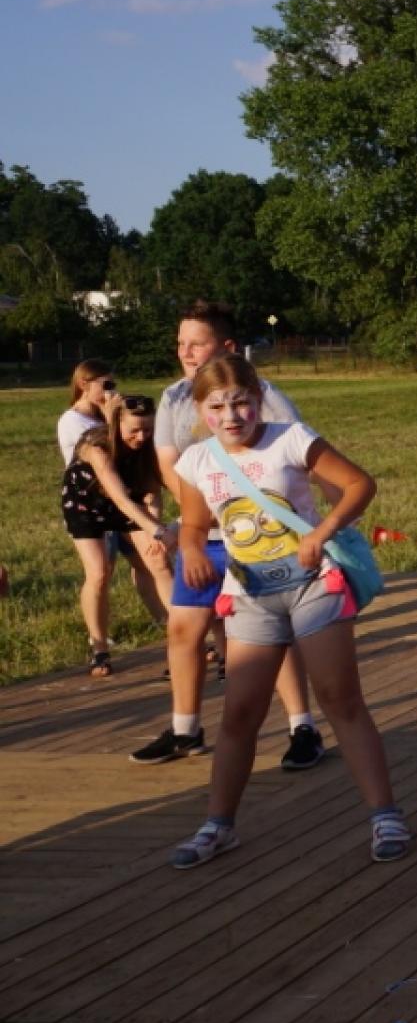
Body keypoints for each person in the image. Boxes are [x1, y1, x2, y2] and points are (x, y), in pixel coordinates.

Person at [168, 355, 408, 869]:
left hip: (314, 583)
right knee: (240, 713)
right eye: (217, 407)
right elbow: (193, 525)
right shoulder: (197, 461)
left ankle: (385, 815)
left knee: (339, 699)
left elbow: (360, 484)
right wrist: (190, 550)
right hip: (250, 593)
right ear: (201, 409)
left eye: (241, 403)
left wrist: (322, 532)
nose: (232, 416)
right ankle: (218, 825)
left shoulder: (291, 439)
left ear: (258, 399)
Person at [132, 300, 323, 769]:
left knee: (274, 631)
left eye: (197, 344)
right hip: (202, 536)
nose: (185, 352)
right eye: (181, 343)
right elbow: (169, 464)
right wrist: (195, 518)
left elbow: (290, 456)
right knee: (183, 627)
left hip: (259, 536)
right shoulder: (175, 397)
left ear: (228, 347)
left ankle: (302, 726)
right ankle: (185, 729)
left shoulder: (263, 395)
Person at [62, 394, 170, 675]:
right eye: (134, 430)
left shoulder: (149, 446)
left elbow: (152, 493)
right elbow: (120, 498)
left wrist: (155, 528)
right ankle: (99, 648)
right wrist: (158, 531)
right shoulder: (97, 446)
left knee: (157, 561)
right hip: (87, 503)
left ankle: (178, 632)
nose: (141, 436)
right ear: (116, 424)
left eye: (148, 429)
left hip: (128, 501)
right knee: (99, 572)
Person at [59, 359, 116, 463]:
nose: (111, 391)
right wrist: (111, 419)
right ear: (83, 385)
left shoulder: (100, 414)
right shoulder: (72, 420)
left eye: (113, 386)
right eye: (107, 385)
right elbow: (105, 450)